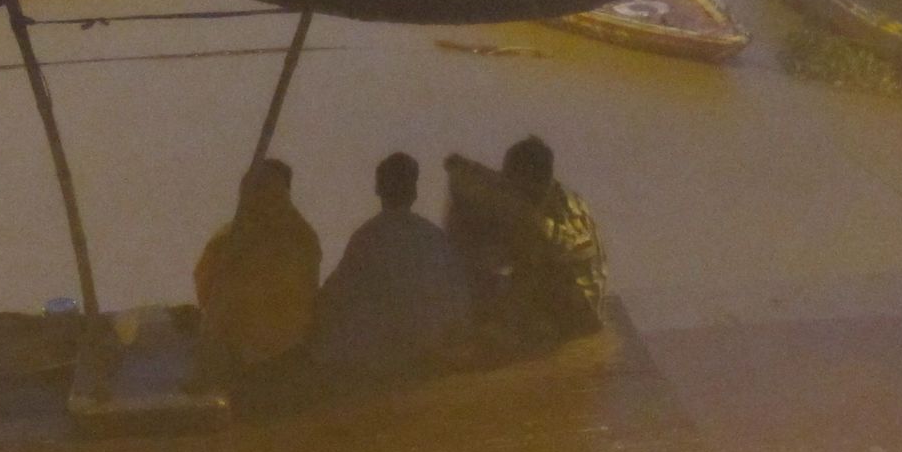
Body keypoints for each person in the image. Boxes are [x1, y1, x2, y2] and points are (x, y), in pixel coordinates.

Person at [310, 152, 471, 378]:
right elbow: (458, 297)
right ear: (414, 192)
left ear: (378, 189)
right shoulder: (434, 237)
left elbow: (338, 293)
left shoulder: (368, 237)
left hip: (387, 352)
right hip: (434, 344)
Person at [444, 134, 606, 345]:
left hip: (576, 315)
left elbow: (559, 245)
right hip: (554, 301)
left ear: (533, 182)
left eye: (515, 186)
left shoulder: (562, 211)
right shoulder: (541, 198)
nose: (512, 192)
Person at [191, 157, 322, 384]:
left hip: (279, 359)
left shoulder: (298, 240)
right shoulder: (228, 241)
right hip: (243, 359)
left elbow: (302, 293)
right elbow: (207, 291)